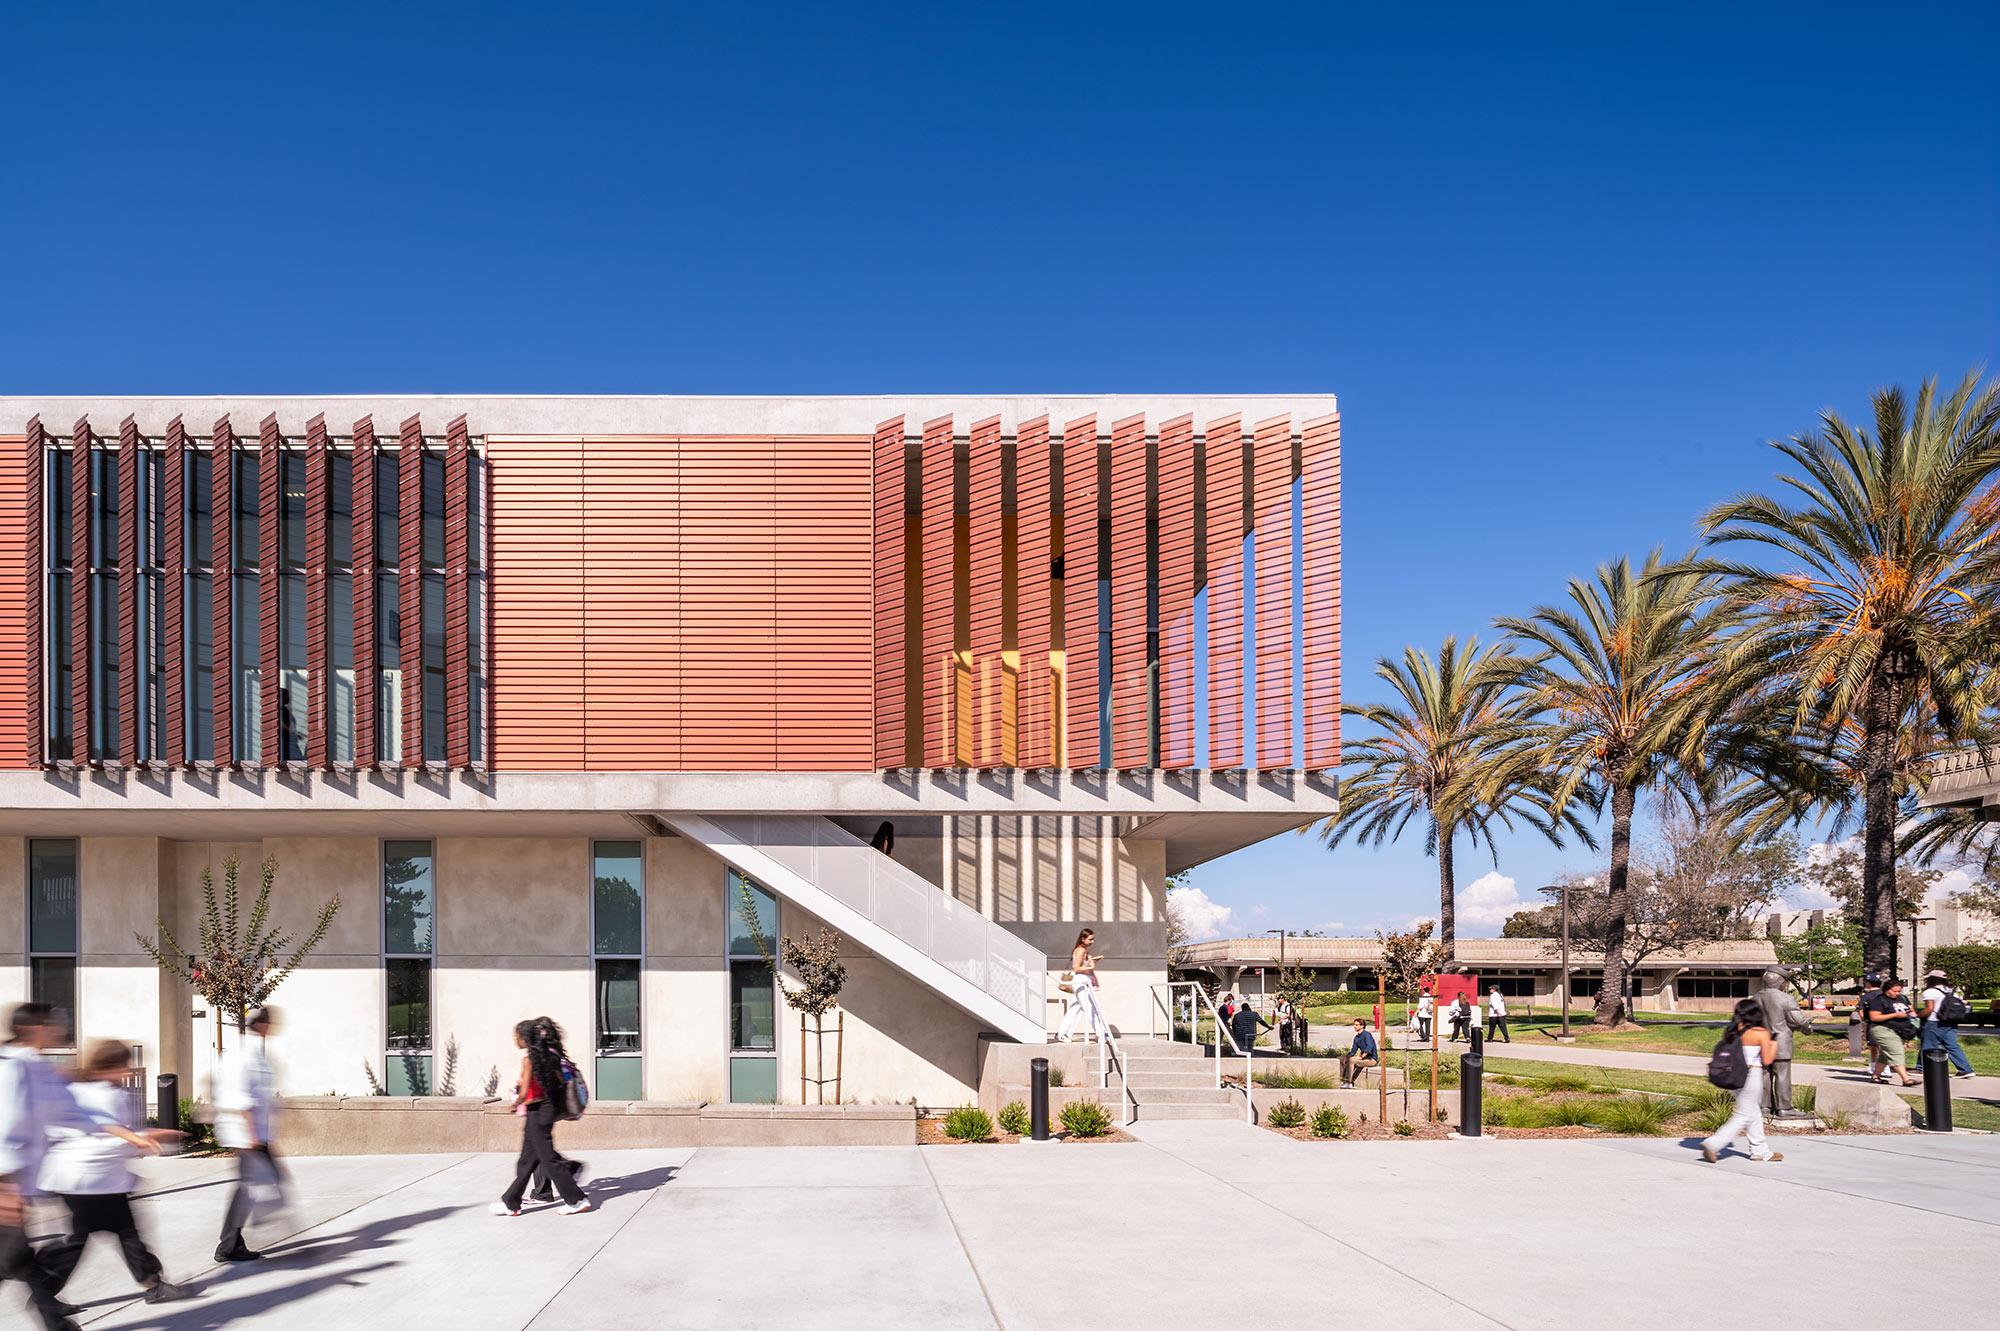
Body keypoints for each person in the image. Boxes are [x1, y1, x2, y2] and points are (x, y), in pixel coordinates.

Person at [40, 1040, 188, 1304]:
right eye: (124, 1066)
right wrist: (148, 1138)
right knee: (121, 1232)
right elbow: (115, 1134)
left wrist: (142, 1138)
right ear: (110, 1067)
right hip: (95, 1180)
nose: (128, 1071)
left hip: (77, 1180)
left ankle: (45, 1290)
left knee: (93, 1236)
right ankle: (151, 1284)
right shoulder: (110, 1095)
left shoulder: (76, 1089)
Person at [1, 1003, 86, 1331]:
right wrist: (7, 1189)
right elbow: (5, 1130)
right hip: (7, 1186)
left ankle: (56, 1322)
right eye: (52, 1023)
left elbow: (69, 1109)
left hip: (19, 1185)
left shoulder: (34, 1065)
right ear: (33, 1027)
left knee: (17, 1261)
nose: (59, 1027)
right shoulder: (10, 1068)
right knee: (18, 1260)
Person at [493, 1018, 591, 1216]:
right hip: (545, 1110)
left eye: (516, 1036)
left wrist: (516, 1103)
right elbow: (553, 1086)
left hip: (538, 1112)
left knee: (547, 1160)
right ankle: (510, 1202)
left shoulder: (529, 1059)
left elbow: (526, 1091)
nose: (515, 1040)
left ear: (525, 1038)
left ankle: (576, 1199)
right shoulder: (550, 1056)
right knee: (526, 1161)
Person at [215, 1006, 285, 1262]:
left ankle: (231, 1243)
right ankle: (228, 1246)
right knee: (251, 1186)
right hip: (247, 1135)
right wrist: (252, 1135)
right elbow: (239, 1097)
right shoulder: (245, 1054)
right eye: (271, 1022)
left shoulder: (255, 1052)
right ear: (262, 1025)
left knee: (251, 1186)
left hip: (255, 1134)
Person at [1701, 997, 1784, 1164]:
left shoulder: (1733, 1031)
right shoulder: (1760, 1033)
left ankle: (1760, 1151)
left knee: (1753, 1112)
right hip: (1751, 1075)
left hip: (1732, 1076)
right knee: (1744, 1114)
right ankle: (1714, 1144)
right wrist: (1774, 1045)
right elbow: (1767, 1060)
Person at [1919, 968, 1977, 1079]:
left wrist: (1917, 1016)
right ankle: (1965, 1069)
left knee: (1928, 1045)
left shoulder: (1929, 992)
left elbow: (1929, 1009)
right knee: (1952, 1046)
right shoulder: (1951, 991)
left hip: (1934, 1022)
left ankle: (1922, 1068)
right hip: (1951, 1022)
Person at [1862, 978, 1919, 1088]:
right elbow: (1874, 1017)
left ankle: (1876, 1076)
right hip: (1882, 1029)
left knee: (1885, 1055)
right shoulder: (1878, 1001)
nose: (1896, 994)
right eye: (1894, 991)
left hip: (1899, 1030)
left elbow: (1911, 1010)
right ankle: (1906, 1079)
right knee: (1896, 1052)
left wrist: (1912, 1015)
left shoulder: (1902, 998)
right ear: (1886, 989)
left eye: (1899, 991)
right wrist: (1895, 1015)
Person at [1055, 930, 1107, 1043]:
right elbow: (1077, 968)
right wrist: (1090, 967)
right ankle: (1101, 1034)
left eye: (1093, 939)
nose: (1092, 942)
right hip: (1081, 981)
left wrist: (1090, 963)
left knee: (1075, 1009)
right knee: (1090, 1007)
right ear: (1083, 939)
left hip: (1082, 980)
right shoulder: (1081, 950)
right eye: (1090, 939)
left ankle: (1062, 1033)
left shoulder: (1083, 950)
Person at [1340, 1019, 1379, 1087]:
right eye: (1354, 1024)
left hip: (1371, 1060)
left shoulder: (1367, 1035)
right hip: (1364, 1059)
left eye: (1356, 1025)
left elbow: (1369, 1047)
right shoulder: (1357, 1038)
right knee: (1342, 1059)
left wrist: (1361, 1056)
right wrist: (1346, 1057)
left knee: (1351, 1060)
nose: (1354, 1026)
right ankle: (1342, 1080)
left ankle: (1349, 1082)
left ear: (1362, 1026)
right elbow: (1353, 1051)